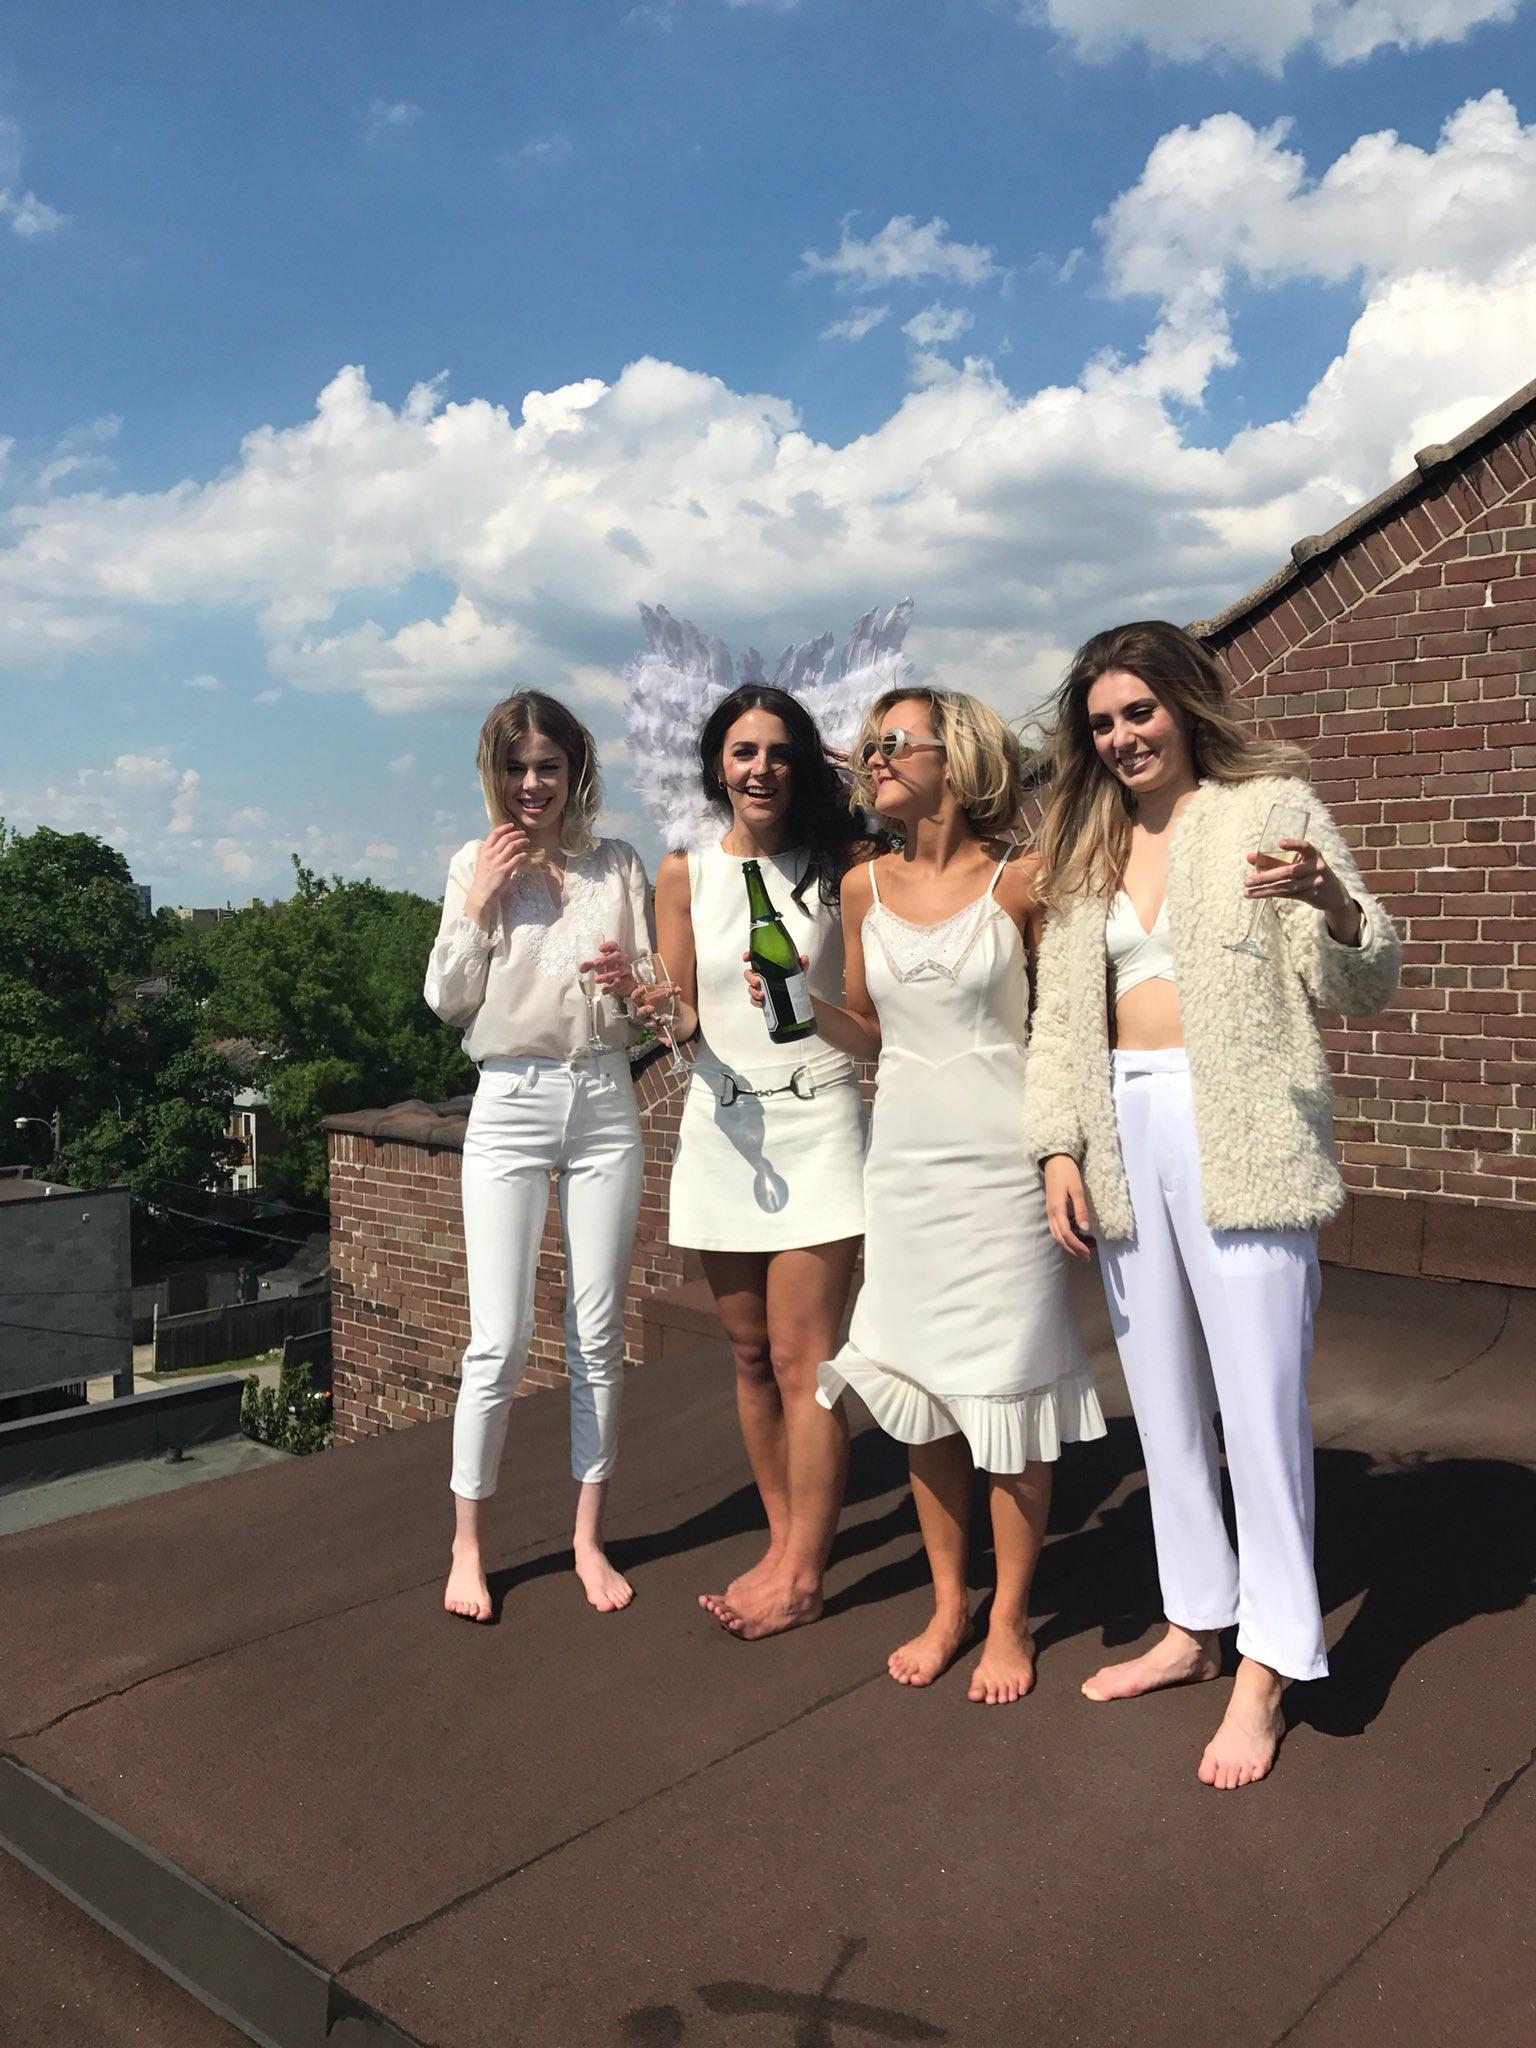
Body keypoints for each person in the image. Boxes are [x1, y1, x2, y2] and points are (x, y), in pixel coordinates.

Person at [1024, 620, 1401, 1787]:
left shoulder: (1266, 807)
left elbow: (1363, 979)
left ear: (1185, 706)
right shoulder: (1083, 842)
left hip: (1242, 1124)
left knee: (1260, 1401)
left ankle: (1271, 1660)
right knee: (1165, 1401)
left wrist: (1334, 902)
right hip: (1121, 1124)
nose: (1122, 736)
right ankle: (1194, 1621)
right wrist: (1059, 1144)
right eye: (1102, 721)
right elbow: (1059, 1017)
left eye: (1139, 711)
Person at [779, 687, 1106, 1703]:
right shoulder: (860, 887)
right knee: (920, 1394)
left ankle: (1011, 1618)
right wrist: (802, 1005)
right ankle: (949, 1603)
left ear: (955, 759)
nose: (871, 759)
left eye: (893, 742)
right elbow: (872, 1033)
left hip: (1006, 1171)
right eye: (868, 745)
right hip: (907, 1170)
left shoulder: (1027, 878)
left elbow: (1068, 1027)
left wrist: (1066, 1150)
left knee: (1008, 1394)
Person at [639, 683, 868, 1640]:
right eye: (743, 751)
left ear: (801, 763)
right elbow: (684, 1022)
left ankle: (805, 1574)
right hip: (724, 1127)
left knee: (803, 1357)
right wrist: (660, 1010)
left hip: (819, 1120)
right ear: (716, 767)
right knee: (747, 1355)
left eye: (779, 751)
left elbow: (868, 1020)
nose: (761, 768)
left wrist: (808, 997)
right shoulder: (682, 873)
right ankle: (781, 1545)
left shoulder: (843, 868)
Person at [425, 690, 653, 1624]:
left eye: (548, 766)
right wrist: (481, 900)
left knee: (597, 1331)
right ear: (495, 773)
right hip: (510, 1102)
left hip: (603, 1096)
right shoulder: (471, 864)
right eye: (516, 767)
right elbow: (447, 1000)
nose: (532, 784)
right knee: (500, 1338)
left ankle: (587, 1537)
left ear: (575, 770)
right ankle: (467, 1546)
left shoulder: (618, 864)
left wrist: (635, 983)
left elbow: (648, 1001)